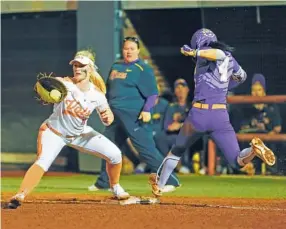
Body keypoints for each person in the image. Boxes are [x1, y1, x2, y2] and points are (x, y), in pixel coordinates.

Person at [149, 28, 276, 196]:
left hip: (198, 116)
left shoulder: (204, 56)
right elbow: (242, 76)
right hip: (220, 117)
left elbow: (218, 55)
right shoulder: (229, 58)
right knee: (237, 161)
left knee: (177, 150)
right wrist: (226, 87)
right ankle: (253, 151)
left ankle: (160, 185)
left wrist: (195, 51)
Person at [5, 49, 130, 209]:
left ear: (90, 69)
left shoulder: (97, 94)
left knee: (115, 155)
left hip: (79, 134)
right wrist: (44, 90)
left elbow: (108, 117)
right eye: (75, 65)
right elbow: (41, 85)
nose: (77, 68)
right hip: (54, 132)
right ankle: (20, 195)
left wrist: (107, 117)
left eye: (81, 65)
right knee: (43, 162)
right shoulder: (64, 84)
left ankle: (115, 187)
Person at [88, 37, 180, 193]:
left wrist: (146, 110)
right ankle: (103, 182)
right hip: (114, 116)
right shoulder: (116, 66)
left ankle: (170, 180)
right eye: (126, 48)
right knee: (108, 148)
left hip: (134, 116)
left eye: (132, 48)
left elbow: (152, 94)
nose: (128, 51)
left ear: (138, 50)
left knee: (146, 150)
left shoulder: (142, 69)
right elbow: (107, 89)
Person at [239, 73, 282, 174]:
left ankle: (270, 170)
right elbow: (241, 128)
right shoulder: (246, 108)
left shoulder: (271, 107)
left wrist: (265, 140)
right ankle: (246, 167)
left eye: (259, 90)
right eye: (254, 90)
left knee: (272, 145)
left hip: (266, 142)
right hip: (249, 142)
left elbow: (277, 128)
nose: (256, 93)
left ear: (264, 91)